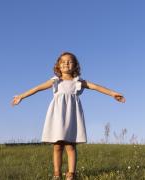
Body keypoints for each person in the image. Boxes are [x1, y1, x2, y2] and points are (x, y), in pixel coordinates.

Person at [11, 52, 125, 180]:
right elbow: (37, 88)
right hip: (57, 117)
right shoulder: (55, 81)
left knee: (70, 145)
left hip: (72, 116)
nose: (66, 63)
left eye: (70, 61)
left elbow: (96, 87)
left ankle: (71, 174)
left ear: (75, 66)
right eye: (63, 61)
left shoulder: (78, 82)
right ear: (58, 66)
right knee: (57, 145)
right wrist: (21, 96)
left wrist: (112, 93)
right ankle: (56, 174)